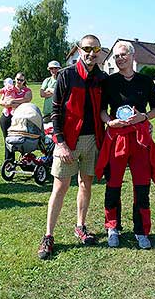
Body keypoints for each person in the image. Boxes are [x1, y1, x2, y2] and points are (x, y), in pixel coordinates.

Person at [38, 34, 108, 260]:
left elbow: (108, 109)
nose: (90, 53)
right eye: (86, 48)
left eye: (95, 49)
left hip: (92, 140)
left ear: (99, 52)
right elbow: (55, 111)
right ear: (79, 50)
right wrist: (60, 143)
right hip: (68, 141)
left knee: (86, 184)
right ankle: (48, 235)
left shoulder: (102, 78)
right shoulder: (66, 75)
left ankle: (81, 225)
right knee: (59, 187)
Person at [95, 41, 155, 249]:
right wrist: (109, 121)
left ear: (132, 56)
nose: (119, 59)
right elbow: (102, 111)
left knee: (142, 186)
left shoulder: (145, 81)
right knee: (113, 184)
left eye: (123, 55)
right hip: (117, 139)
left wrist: (143, 116)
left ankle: (141, 230)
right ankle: (112, 227)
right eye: (116, 56)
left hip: (139, 139)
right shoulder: (109, 82)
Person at [0, 72, 32, 160]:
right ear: (15, 79)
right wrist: (11, 103)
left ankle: (25, 159)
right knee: (7, 140)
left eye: (21, 80)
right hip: (7, 117)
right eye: (18, 79)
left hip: (20, 118)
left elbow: (27, 99)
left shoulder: (27, 90)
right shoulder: (9, 88)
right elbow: (1, 102)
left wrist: (12, 101)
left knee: (21, 139)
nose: (19, 81)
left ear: (24, 81)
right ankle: (9, 161)